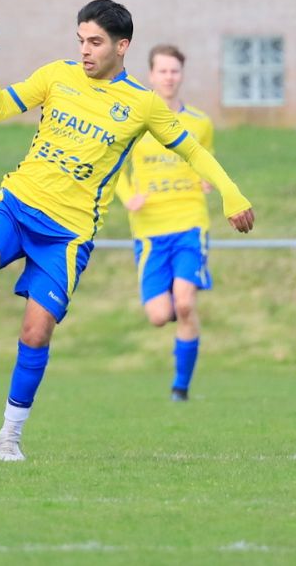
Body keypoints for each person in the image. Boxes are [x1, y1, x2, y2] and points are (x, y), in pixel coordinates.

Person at [0, 1, 254, 462]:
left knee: (35, 332)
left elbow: (193, 152)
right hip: (18, 203)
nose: (85, 51)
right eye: (80, 40)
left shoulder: (143, 104)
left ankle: (9, 434)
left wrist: (231, 194)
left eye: (95, 42)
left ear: (121, 46)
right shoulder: (57, 76)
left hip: (67, 235)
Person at [114, 45, 215, 402]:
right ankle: (177, 304)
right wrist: (129, 197)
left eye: (175, 71)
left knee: (185, 305)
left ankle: (180, 388)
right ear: (152, 75)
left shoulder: (200, 123)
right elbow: (114, 169)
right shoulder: (135, 121)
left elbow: (206, 160)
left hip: (189, 223)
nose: (169, 77)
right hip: (150, 231)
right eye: (163, 71)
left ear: (181, 75)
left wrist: (207, 179)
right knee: (160, 315)